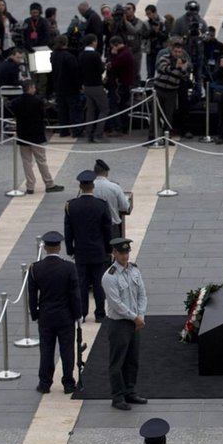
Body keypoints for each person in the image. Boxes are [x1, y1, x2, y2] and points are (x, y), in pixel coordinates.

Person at [27, 231, 80, 394]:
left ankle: (44, 383)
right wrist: (78, 315)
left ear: (44, 248)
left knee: (46, 350)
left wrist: (35, 314)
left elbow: (32, 294)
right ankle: (68, 383)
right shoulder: (69, 267)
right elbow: (75, 294)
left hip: (46, 316)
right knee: (67, 350)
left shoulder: (35, 268)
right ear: (59, 247)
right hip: (65, 316)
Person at [103, 237, 148, 410]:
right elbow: (116, 304)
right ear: (114, 253)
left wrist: (141, 315)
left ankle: (130, 391)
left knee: (132, 359)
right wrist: (134, 317)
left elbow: (142, 294)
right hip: (120, 323)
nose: (125, 256)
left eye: (127, 252)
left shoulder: (134, 270)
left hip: (135, 322)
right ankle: (117, 396)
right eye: (121, 253)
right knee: (117, 361)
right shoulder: (110, 276)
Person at [65, 171, 112, 322]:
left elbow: (68, 231)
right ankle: (99, 314)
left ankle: (82, 313)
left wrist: (70, 250)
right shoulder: (101, 205)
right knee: (99, 284)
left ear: (80, 186)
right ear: (93, 186)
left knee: (82, 284)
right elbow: (107, 230)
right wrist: (109, 249)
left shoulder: (71, 206)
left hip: (81, 252)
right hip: (98, 251)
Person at [10, 80, 63, 194]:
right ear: (30, 88)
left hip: (23, 134)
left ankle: (30, 186)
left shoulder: (16, 102)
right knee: (41, 160)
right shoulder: (38, 101)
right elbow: (43, 115)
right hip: (36, 135)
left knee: (26, 162)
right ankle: (48, 183)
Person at [79, 34, 109, 143]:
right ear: (93, 42)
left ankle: (89, 133)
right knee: (104, 109)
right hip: (96, 85)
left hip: (86, 85)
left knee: (90, 110)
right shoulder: (95, 55)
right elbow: (101, 70)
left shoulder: (81, 55)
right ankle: (98, 133)